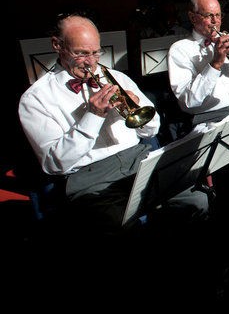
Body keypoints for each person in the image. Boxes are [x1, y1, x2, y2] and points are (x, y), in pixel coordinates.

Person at [18, 15, 210, 240]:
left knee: (196, 200)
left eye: (96, 52)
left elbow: (151, 130)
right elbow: (54, 164)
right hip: (90, 178)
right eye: (80, 53)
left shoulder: (117, 77)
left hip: (138, 159)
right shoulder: (36, 98)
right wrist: (93, 115)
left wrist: (136, 106)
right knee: (122, 231)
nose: (91, 62)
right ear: (57, 45)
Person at [167, 0, 229, 127]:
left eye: (218, 15)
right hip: (211, 119)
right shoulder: (179, 49)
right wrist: (215, 64)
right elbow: (188, 101)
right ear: (193, 18)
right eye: (208, 16)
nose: (215, 21)